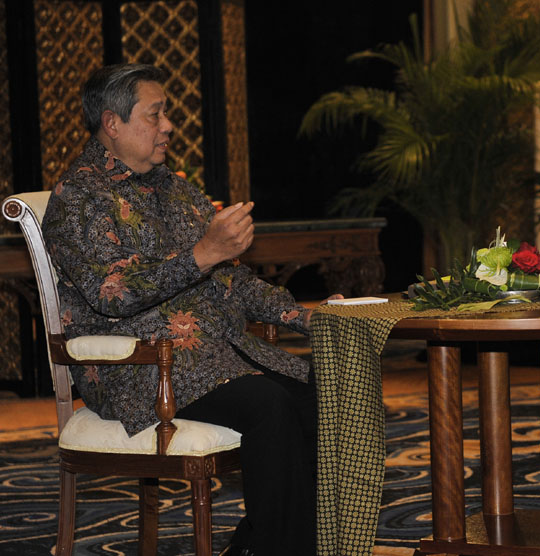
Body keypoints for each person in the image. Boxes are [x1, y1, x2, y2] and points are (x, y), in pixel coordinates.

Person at [41, 63, 339, 556]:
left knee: (323, 395)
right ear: (112, 124)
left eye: (167, 113)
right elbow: (110, 294)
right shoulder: (78, 198)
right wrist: (202, 253)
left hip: (211, 354)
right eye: (155, 115)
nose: (169, 126)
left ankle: (262, 544)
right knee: (270, 407)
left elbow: (233, 277)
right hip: (138, 367)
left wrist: (305, 318)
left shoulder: (174, 189)